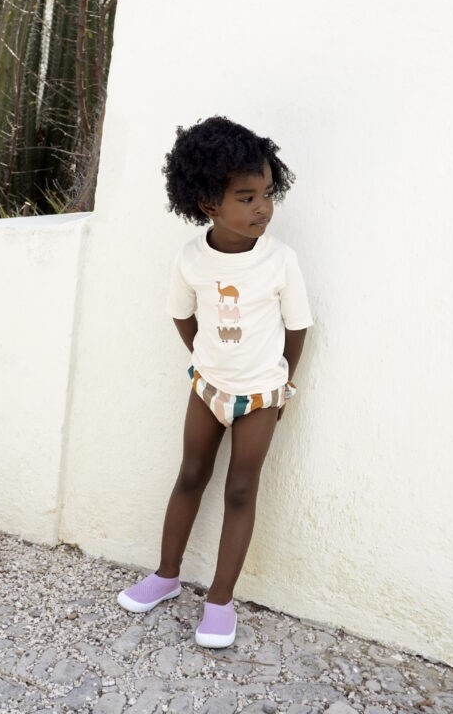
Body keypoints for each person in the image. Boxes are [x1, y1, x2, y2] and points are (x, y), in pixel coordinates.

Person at [117, 116, 313, 648]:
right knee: (190, 474)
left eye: (267, 194)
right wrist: (207, 362)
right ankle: (166, 575)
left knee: (241, 488)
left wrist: (283, 387)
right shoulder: (191, 260)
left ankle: (220, 601)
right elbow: (182, 316)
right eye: (246, 198)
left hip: (261, 395)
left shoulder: (280, 261)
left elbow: (297, 327)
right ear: (208, 204)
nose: (262, 208)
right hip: (207, 389)